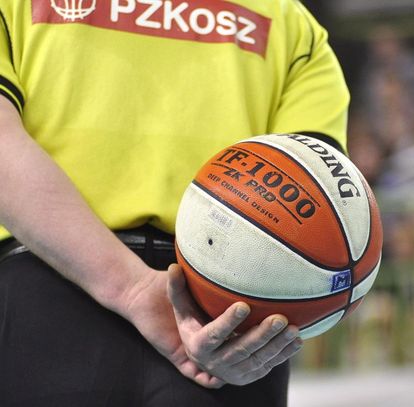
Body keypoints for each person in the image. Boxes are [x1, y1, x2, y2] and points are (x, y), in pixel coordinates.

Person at [0, 1, 349, 406]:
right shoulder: (291, 23)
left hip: (46, 291)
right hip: (222, 317)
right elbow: (315, 212)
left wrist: (133, 287)